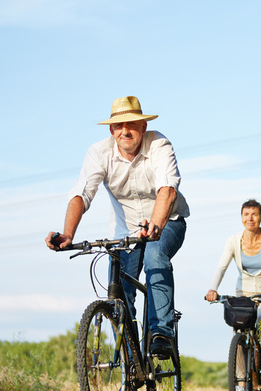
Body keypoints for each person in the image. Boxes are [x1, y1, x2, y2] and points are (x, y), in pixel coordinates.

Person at [45, 96, 189, 358]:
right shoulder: (99, 153)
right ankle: (129, 360)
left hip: (167, 223)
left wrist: (156, 225)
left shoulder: (159, 144)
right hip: (127, 233)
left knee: (156, 254)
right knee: (120, 291)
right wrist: (68, 234)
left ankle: (161, 333)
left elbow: (167, 190)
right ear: (111, 130)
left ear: (143, 127)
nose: (126, 131)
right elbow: (81, 193)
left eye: (132, 124)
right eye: (119, 126)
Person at [205, 199, 261, 385]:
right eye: (246, 214)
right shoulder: (233, 240)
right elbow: (221, 267)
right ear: (241, 218)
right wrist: (212, 289)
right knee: (239, 330)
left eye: (255, 214)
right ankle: (241, 383)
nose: (250, 218)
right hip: (243, 293)